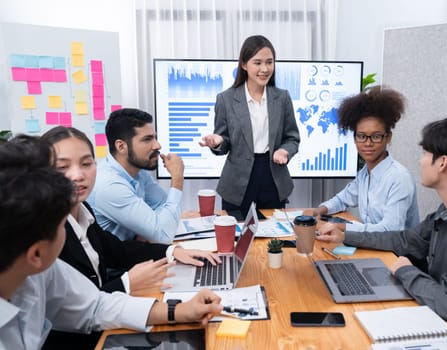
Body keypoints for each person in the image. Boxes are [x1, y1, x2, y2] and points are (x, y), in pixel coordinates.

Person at [0, 135, 223, 350]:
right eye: (62, 225)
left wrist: (181, 310)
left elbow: (95, 306)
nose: (77, 176)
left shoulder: (38, 268)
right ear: (36, 254)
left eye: (87, 163)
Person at [317, 115, 447, 348]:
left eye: (425, 154)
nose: (421, 161)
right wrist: (346, 235)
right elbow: (406, 239)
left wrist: (406, 271)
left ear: (442, 163)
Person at [199, 35, 300, 216]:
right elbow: (224, 142)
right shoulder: (226, 99)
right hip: (237, 183)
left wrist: (285, 151)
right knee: (236, 240)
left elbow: (292, 138)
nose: (265, 69)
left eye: (269, 62)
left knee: (274, 241)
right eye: (258, 63)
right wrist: (218, 141)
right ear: (244, 65)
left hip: (273, 179)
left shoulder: (282, 98)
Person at [306, 86, 419, 232]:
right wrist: (320, 210)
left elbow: (390, 229)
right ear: (355, 138)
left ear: (388, 138)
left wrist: (339, 227)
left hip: (396, 253)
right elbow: (342, 199)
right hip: (374, 247)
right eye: (361, 136)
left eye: (376, 136)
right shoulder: (365, 174)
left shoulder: (399, 178)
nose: (368, 143)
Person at [88, 108, 184, 244]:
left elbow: (163, 206)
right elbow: (163, 236)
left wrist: (151, 229)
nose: (157, 145)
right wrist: (177, 177)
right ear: (121, 147)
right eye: (147, 139)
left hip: (136, 252)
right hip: (120, 264)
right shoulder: (109, 186)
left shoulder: (137, 170)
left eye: (155, 138)